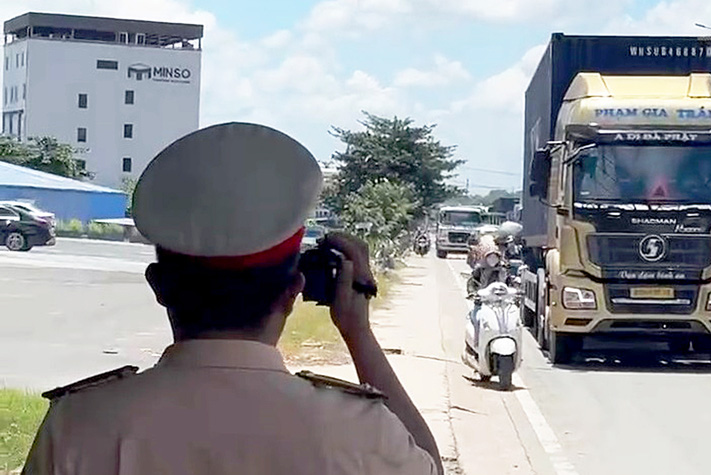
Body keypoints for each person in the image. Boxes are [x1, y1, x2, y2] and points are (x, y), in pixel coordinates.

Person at [22, 123, 442, 475]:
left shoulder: (77, 426)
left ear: (159, 285)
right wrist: (358, 334)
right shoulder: (362, 430)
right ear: (294, 290)